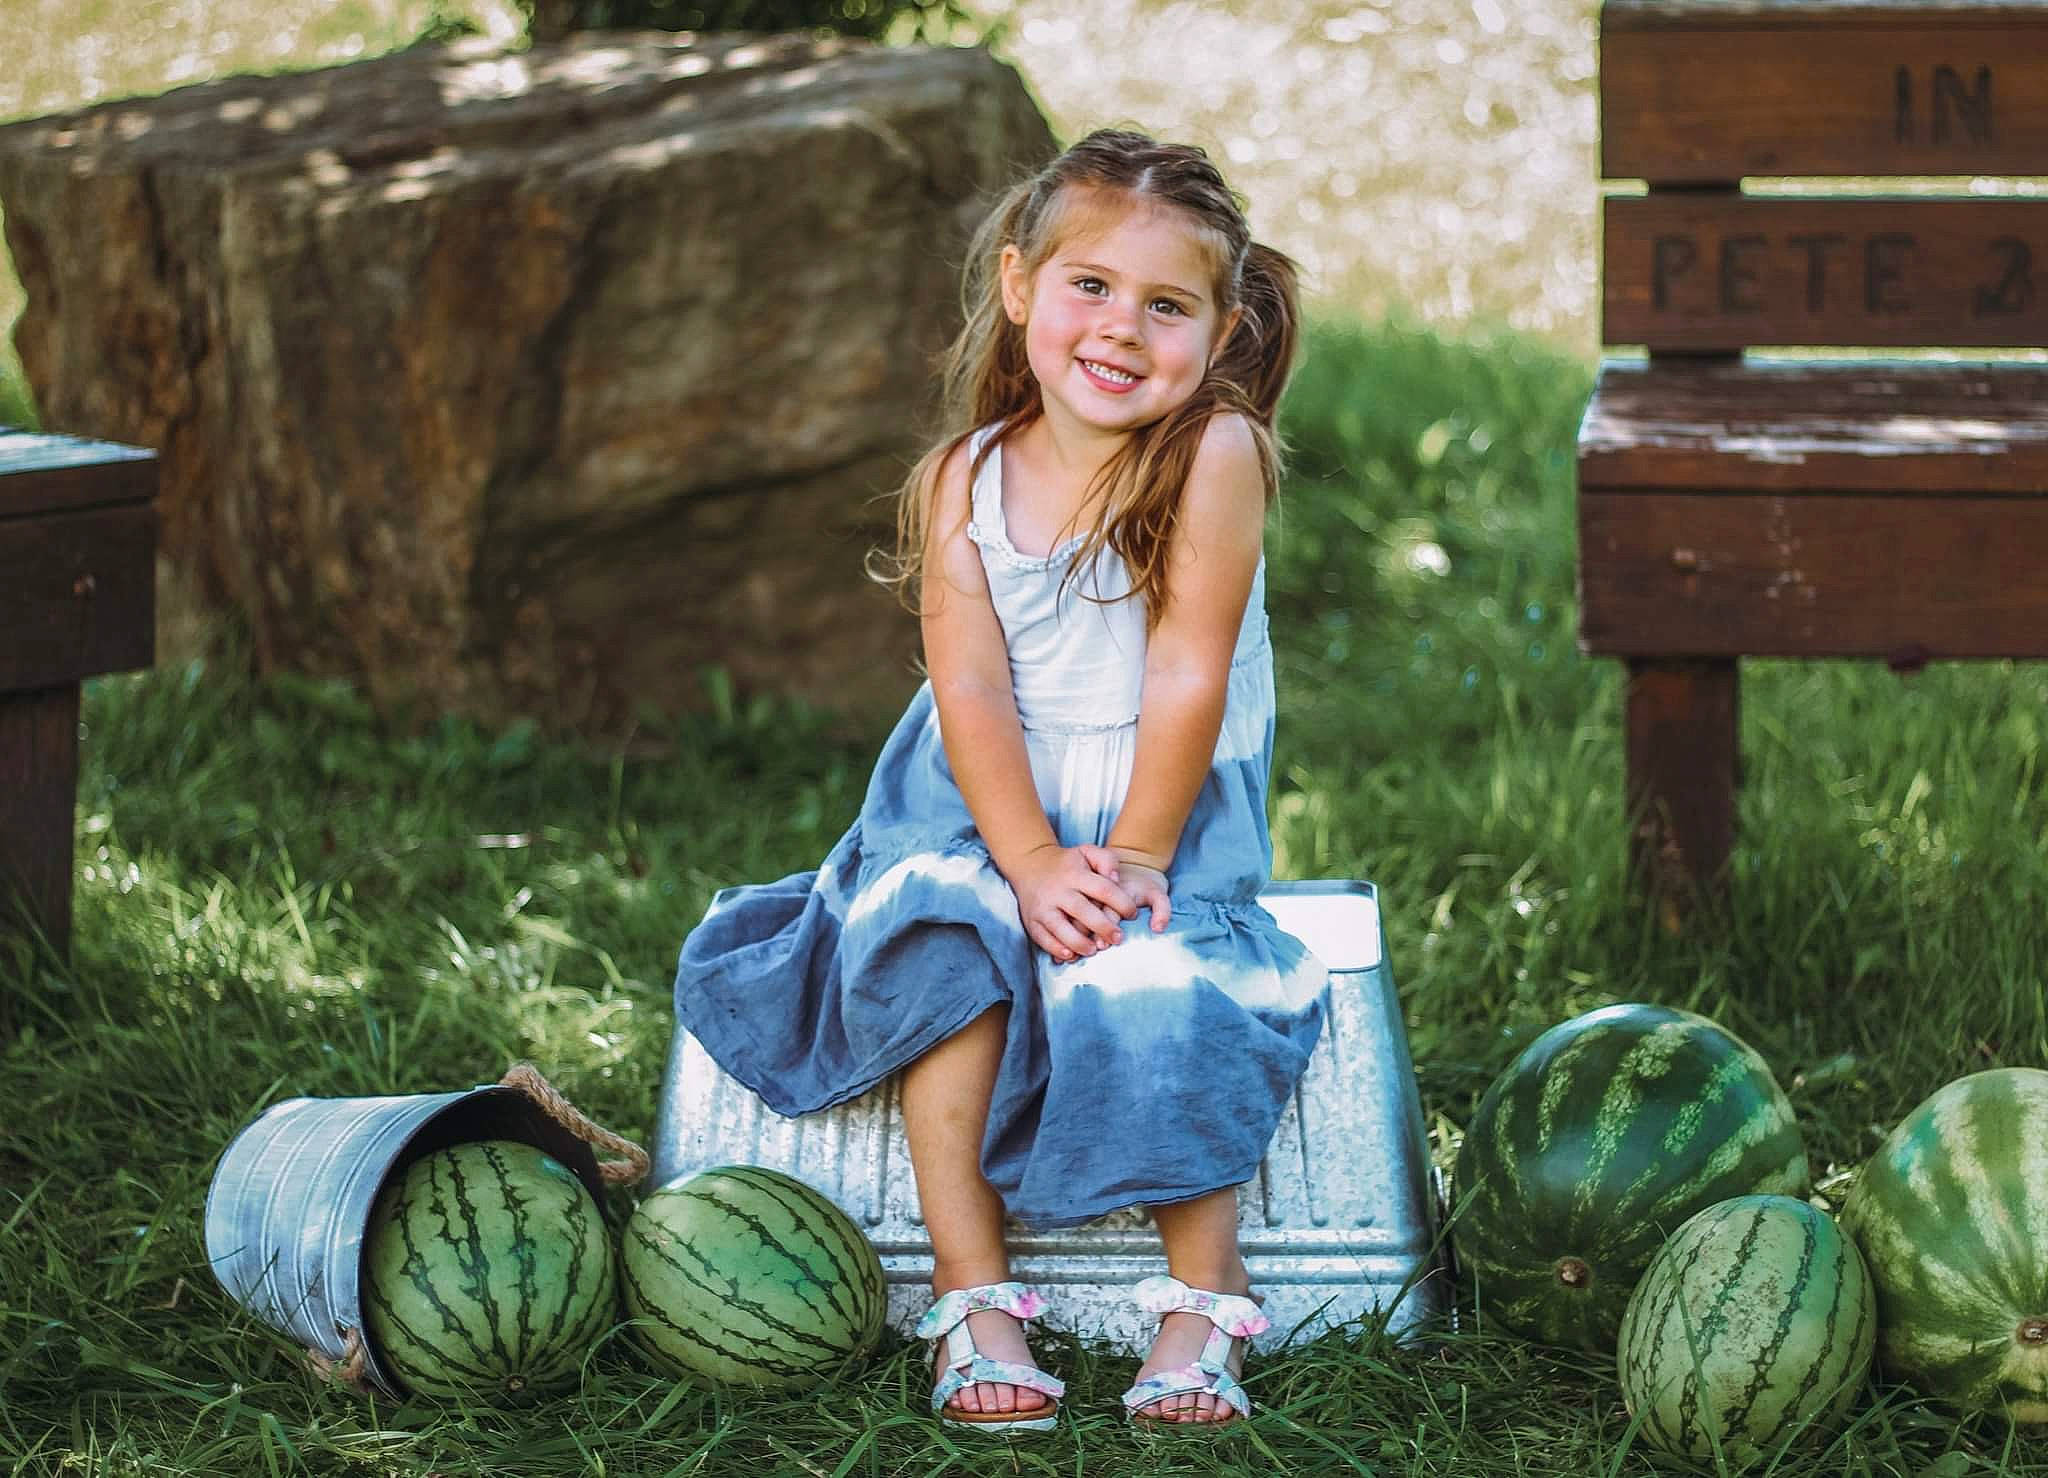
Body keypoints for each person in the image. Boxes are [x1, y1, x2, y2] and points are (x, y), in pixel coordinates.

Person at [672, 127, 1328, 1433]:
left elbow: (1187, 677)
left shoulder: (1215, 457)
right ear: (1021, 284)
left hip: (1163, 796)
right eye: (1091, 286)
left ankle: (1206, 1294)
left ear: (1224, 322)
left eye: (1165, 304)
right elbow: (967, 692)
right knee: (947, 973)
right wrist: (1024, 863)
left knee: (1162, 987)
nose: (1120, 329)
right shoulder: (965, 477)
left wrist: (1135, 858)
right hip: (977, 796)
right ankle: (974, 1295)